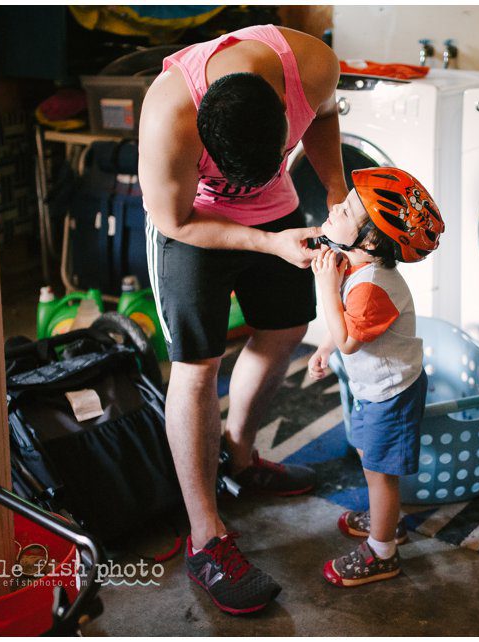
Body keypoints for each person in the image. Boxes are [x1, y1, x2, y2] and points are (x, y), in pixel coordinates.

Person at [138, 24, 348, 615]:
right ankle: (206, 538)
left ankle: (241, 457)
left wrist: (334, 190)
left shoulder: (312, 65)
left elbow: (326, 116)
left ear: (285, 108)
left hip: (276, 210)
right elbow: (175, 222)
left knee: (285, 328)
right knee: (196, 365)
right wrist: (270, 245)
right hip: (192, 219)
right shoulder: (169, 111)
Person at [307, 168, 444, 587]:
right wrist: (324, 346)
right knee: (371, 460)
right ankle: (386, 521)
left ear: (368, 240)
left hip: (392, 394)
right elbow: (344, 330)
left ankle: (383, 551)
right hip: (376, 390)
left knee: (379, 474)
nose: (335, 207)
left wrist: (326, 288)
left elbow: (349, 337)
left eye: (346, 209)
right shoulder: (357, 265)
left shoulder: (373, 287)